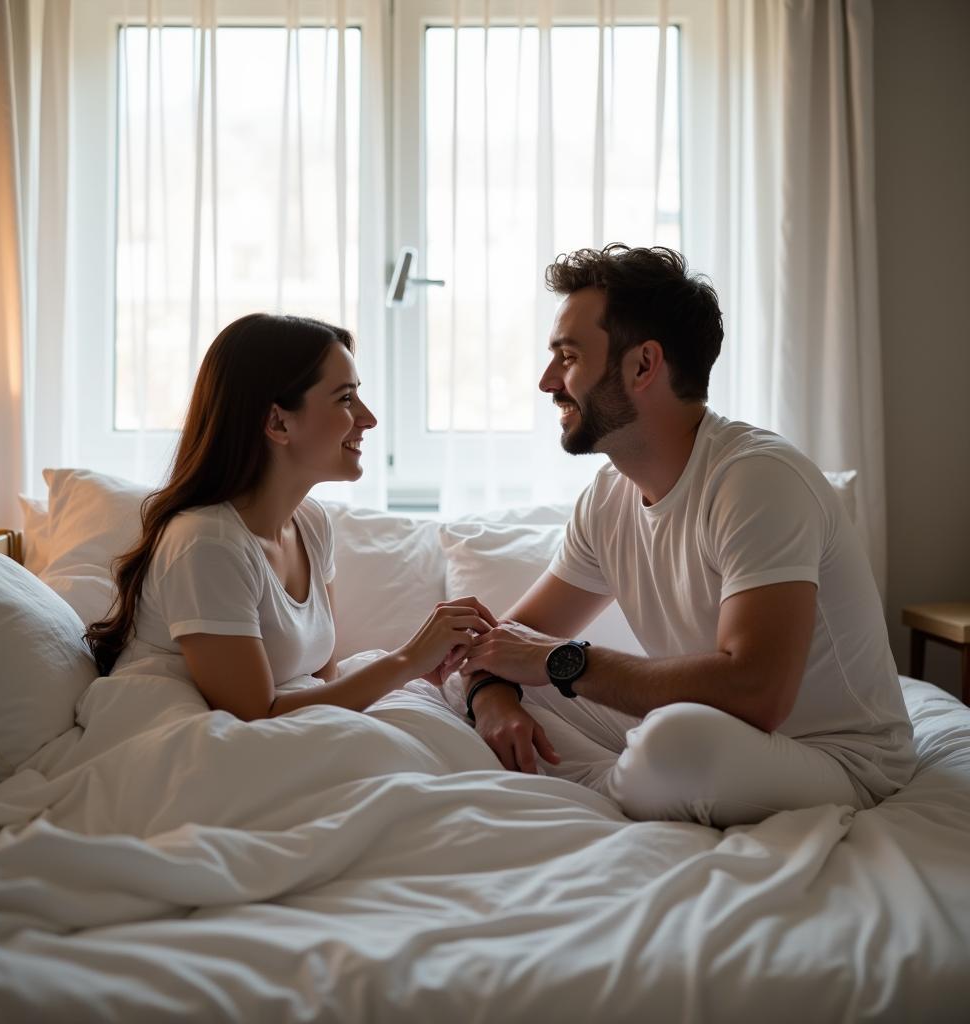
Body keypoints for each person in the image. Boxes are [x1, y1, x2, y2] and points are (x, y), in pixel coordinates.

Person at [456, 244, 915, 828]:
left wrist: (560, 662)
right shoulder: (607, 496)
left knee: (675, 743)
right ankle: (623, 785)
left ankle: (611, 785)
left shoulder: (756, 478)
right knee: (455, 683)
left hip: (835, 757)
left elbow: (756, 692)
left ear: (644, 365)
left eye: (568, 357)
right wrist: (491, 696)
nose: (548, 381)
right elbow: (504, 642)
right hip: (708, 726)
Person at [86, 313, 495, 718]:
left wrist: (418, 661)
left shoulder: (311, 524)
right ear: (278, 421)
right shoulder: (206, 543)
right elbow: (255, 716)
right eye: (346, 399)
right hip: (190, 745)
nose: (368, 419)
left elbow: (323, 682)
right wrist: (409, 660)